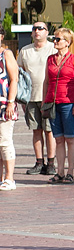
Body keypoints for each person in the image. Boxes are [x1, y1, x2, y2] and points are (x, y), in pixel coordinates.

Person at [43, 28, 74, 184]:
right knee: (58, 139)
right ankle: (59, 172)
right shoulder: (50, 59)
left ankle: (70, 172)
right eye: (54, 38)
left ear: (67, 42)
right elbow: (46, 82)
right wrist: (44, 101)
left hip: (68, 103)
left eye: (58, 39)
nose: (55, 41)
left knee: (70, 138)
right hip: (53, 102)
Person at [18, 21, 56, 175]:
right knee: (36, 130)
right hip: (31, 97)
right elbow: (19, 74)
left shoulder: (53, 48)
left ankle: (51, 163)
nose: (37, 31)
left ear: (47, 32)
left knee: (49, 131)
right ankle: (39, 162)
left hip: (49, 97)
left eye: (41, 28)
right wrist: (21, 98)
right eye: (34, 29)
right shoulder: (25, 51)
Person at [0, 27, 19, 191]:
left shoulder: (6, 54)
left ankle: (9, 178)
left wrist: (10, 103)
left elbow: (14, 79)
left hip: (4, 104)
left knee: (5, 142)